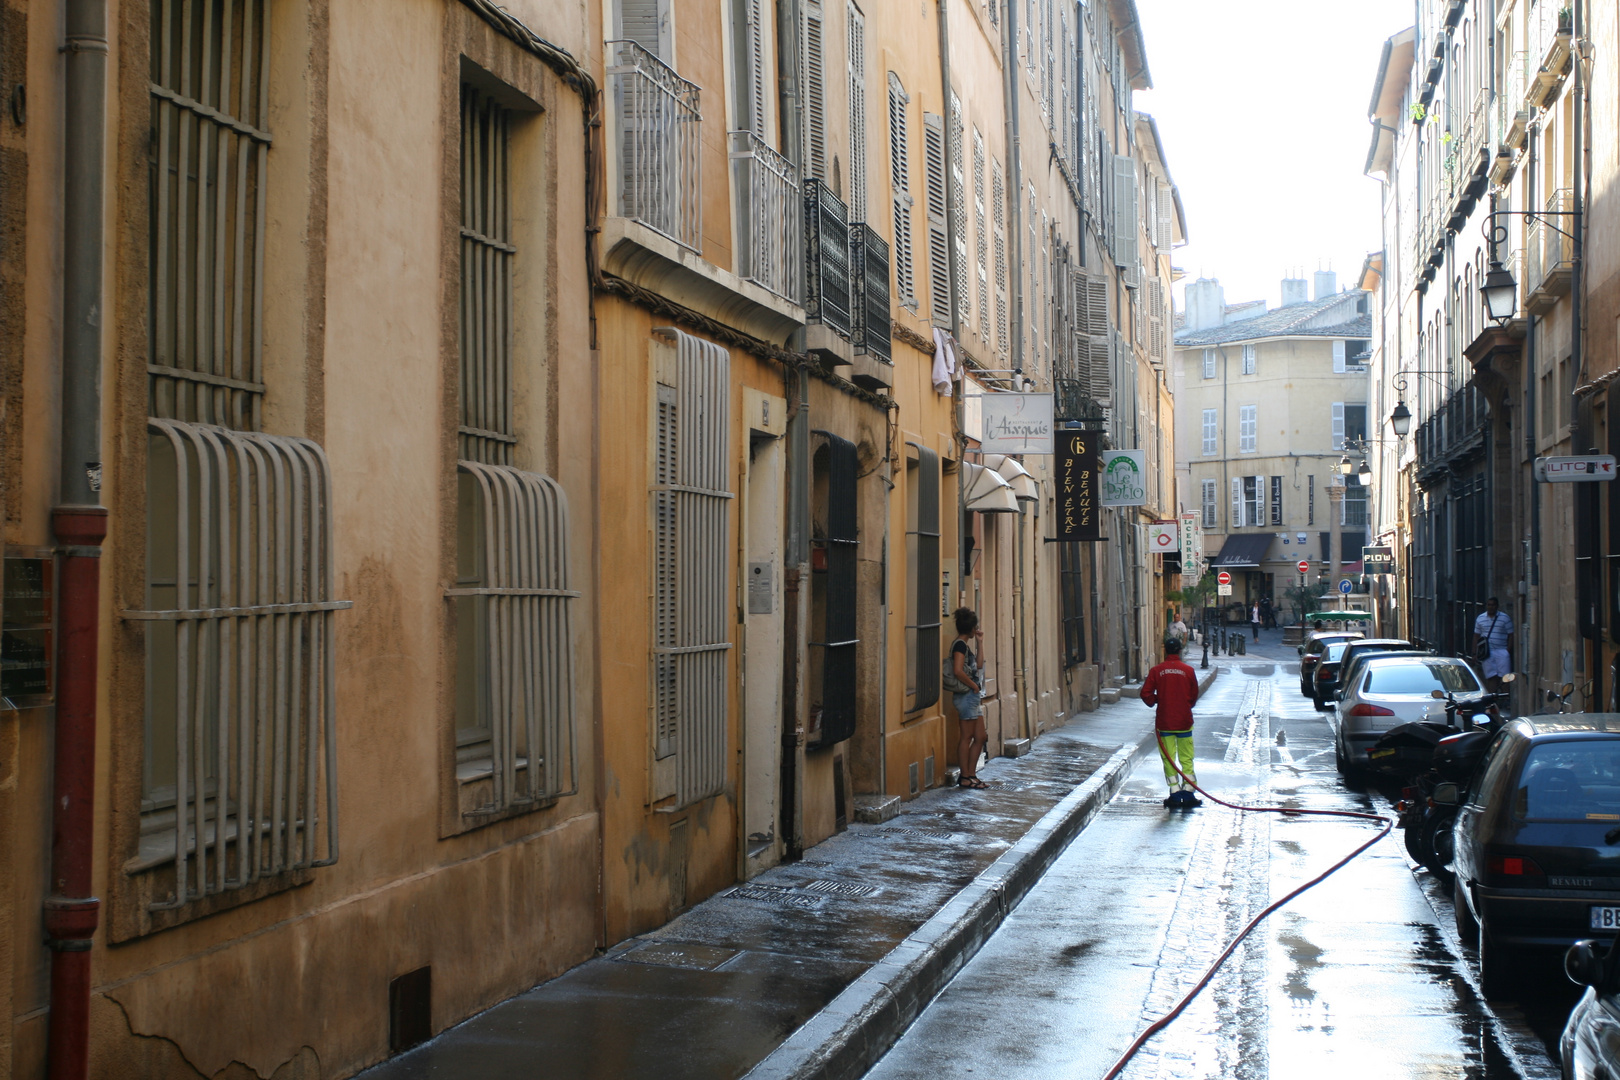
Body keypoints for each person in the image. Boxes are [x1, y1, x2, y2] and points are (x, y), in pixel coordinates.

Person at [1142, 637, 1200, 799]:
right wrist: (1185, 705)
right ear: (1180, 651)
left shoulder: (1156, 671)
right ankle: (1188, 788)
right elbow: (1194, 695)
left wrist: (1157, 701)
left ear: (1165, 651)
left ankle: (1174, 789)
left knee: (1168, 757)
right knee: (1186, 755)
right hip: (1184, 721)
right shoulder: (1188, 671)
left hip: (1165, 721)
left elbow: (1145, 693)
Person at [950, 607, 988, 789]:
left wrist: (980, 642)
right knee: (967, 737)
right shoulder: (959, 645)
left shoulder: (965, 646)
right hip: (966, 696)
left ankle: (971, 775)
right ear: (971, 628)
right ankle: (965, 777)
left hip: (972, 696)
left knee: (980, 736)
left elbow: (978, 665)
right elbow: (957, 671)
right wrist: (974, 686)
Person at [1471, 596, 1514, 694]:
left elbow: (1511, 635)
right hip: (1487, 653)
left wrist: (1507, 650)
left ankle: (1505, 697)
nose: (1491, 607)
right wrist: (1475, 653)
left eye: (1493, 605)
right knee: (1491, 677)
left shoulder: (1504, 618)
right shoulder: (1480, 618)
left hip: (1502, 651)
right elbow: (1476, 636)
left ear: (1497, 606)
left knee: (1505, 677)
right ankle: (1493, 699)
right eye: (1489, 605)